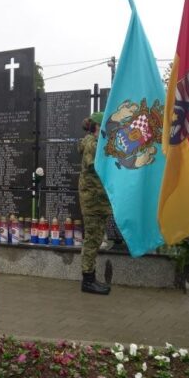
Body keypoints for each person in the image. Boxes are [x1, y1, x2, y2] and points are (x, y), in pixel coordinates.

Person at [78, 112, 112, 295]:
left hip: (97, 201)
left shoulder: (95, 142)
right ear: (97, 127)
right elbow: (94, 165)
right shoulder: (92, 143)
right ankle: (88, 281)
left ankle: (91, 277)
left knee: (96, 239)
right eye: (104, 127)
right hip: (93, 201)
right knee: (92, 240)